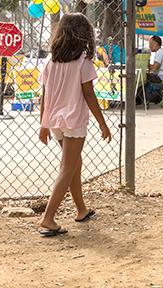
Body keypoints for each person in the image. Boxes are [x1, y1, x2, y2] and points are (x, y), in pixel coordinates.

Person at [38, 13, 112, 237]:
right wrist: (103, 124)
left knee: (74, 164)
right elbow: (89, 95)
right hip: (74, 120)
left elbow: (44, 95)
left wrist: (43, 124)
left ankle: (81, 209)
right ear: (84, 34)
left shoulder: (50, 61)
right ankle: (48, 218)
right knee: (68, 168)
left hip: (55, 122)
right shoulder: (83, 61)